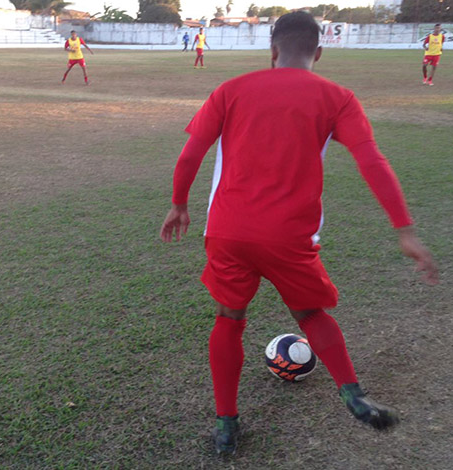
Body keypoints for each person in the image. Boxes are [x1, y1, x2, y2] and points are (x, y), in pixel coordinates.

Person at [159, 11, 438, 456]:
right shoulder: (337, 97)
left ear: (272, 50)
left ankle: (226, 425)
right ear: (319, 52)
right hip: (288, 235)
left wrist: (178, 204)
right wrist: (404, 230)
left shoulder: (231, 90)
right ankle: (353, 394)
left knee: (229, 319)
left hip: (229, 230)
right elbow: (372, 162)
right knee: (310, 315)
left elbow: (191, 152)